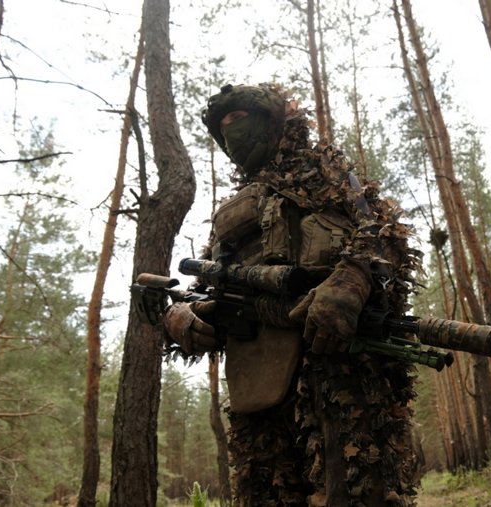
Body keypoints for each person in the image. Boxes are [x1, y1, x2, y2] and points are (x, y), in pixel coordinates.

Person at [163, 83, 422, 506]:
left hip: (341, 377)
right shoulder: (231, 216)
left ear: (272, 119)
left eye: (240, 119)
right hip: (257, 392)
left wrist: (351, 280)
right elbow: (205, 290)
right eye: (223, 126)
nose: (233, 132)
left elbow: (383, 236)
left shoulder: (324, 172)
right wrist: (179, 318)